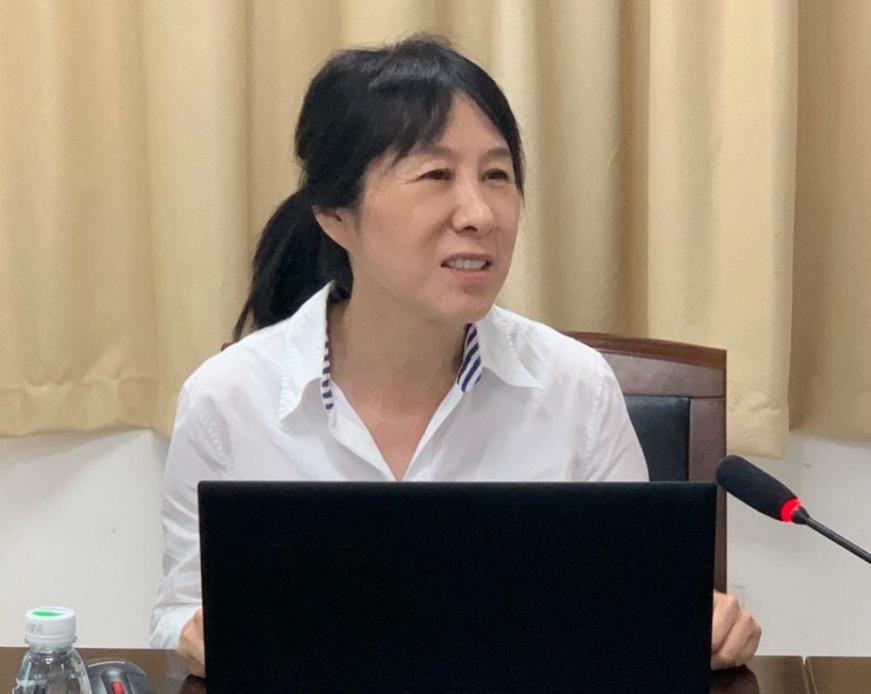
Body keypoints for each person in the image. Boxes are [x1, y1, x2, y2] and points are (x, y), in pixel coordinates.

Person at [150, 35, 761, 677]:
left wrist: (695, 623)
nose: (479, 215)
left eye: (497, 175)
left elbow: (632, 607)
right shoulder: (229, 399)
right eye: (436, 175)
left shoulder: (575, 388)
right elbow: (180, 613)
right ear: (334, 214)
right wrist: (198, 633)